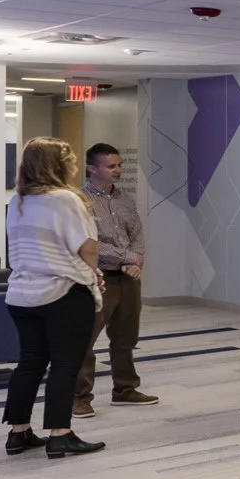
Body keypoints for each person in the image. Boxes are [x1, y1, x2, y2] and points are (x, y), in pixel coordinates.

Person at [0, 137, 107, 459]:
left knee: (29, 363)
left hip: (21, 294)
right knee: (65, 363)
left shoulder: (18, 201)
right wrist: (94, 273)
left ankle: (18, 432)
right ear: (58, 164)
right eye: (69, 160)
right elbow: (87, 246)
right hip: (63, 292)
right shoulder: (66, 199)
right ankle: (60, 434)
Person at [74, 143, 156, 417]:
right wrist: (128, 257)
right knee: (85, 339)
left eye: (120, 165)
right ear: (91, 168)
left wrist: (137, 260)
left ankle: (125, 389)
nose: (118, 170)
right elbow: (88, 243)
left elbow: (138, 233)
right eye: (111, 166)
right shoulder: (79, 201)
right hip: (99, 278)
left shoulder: (125, 199)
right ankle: (80, 397)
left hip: (129, 279)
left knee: (125, 338)